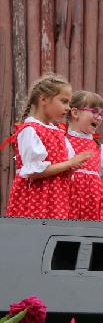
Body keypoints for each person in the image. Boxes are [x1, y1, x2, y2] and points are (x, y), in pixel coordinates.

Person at [4, 74, 91, 219]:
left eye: (69, 103)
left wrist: (72, 165)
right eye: (64, 101)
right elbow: (34, 171)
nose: (68, 108)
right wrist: (70, 163)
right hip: (36, 199)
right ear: (43, 99)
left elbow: (63, 163)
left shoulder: (57, 131)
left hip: (57, 198)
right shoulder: (30, 130)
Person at [66, 90, 103, 220]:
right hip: (69, 199)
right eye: (94, 112)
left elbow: (101, 176)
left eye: (102, 114)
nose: (99, 117)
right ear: (75, 113)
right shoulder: (63, 141)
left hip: (92, 203)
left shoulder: (100, 148)